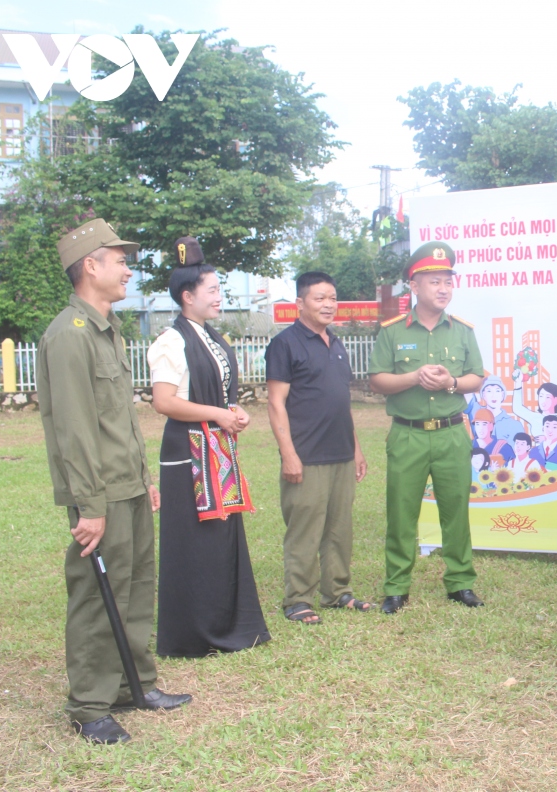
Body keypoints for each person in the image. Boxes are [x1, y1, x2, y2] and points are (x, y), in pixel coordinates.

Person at [38, 218, 190, 745]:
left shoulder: (107, 331)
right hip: (99, 493)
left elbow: (119, 423)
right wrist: (89, 505)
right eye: (119, 260)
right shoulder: (69, 335)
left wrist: (144, 478)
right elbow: (75, 431)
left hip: (126, 486)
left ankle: (135, 684)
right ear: (90, 266)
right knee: (95, 594)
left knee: (133, 590)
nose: (128, 269)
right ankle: (89, 705)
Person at [147, 237, 270, 657]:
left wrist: (231, 412)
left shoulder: (210, 336)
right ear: (188, 296)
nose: (220, 296)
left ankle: (227, 622)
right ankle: (194, 632)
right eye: (213, 290)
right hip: (187, 454)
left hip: (215, 449)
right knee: (195, 541)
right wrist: (217, 415)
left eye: (220, 289)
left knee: (221, 535)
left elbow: (218, 393)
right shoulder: (171, 340)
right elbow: (163, 401)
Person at [369, 242, 487, 613]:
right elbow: (377, 380)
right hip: (408, 433)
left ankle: (460, 582)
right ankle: (396, 586)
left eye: (448, 281)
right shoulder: (391, 331)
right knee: (401, 512)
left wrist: (451, 383)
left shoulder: (463, 330)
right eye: (434, 281)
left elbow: (476, 378)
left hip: (452, 432)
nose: (443, 289)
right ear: (414, 286)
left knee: (456, 510)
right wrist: (413, 378)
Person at [266, 271, 372, 625]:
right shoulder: (285, 344)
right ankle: (298, 599)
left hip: (341, 454)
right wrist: (289, 454)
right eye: (319, 298)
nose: (328, 305)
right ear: (300, 303)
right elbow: (276, 404)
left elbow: (341, 403)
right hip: (306, 456)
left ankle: (337, 593)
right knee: (304, 530)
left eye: (332, 298)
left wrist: (356, 449)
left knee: (339, 529)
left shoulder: (337, 344)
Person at [512, 376, 557, 444]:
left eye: (547, 397)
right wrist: (518, 383)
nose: (543, 400)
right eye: (541, 396)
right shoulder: (534, 417)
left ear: (556, 400)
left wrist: (548, 440)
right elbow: (517, 408)